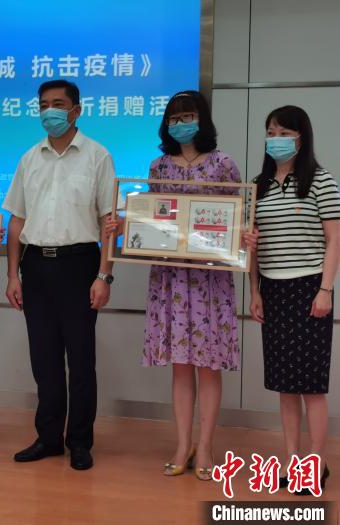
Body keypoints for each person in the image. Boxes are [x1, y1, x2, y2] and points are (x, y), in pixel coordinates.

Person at [126, 90, 248, 480]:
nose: (181, 124)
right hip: (172, 277)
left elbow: (240, 216)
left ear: (202, 119)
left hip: (212, 278)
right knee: (180, 366)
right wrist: (126, 223)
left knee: (208, 366)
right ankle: (183, 444)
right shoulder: (159, 166)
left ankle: (206, 446)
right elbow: (151, 219)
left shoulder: (223, 163)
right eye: (175, 118)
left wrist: (244, 235)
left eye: (188, 116)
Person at [3, 80, 121, 471]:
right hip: (35, 265)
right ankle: (49, 437)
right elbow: (16, 221)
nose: (49, 112)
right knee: (44, 358)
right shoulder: (29, 158)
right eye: (43, 105)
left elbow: (109, 222)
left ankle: (80, 441)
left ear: (76, 110)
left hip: (79, 264)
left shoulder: (97, 156)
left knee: (81, 360)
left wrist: (104, 276)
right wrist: (12, 275)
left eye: (57, 104)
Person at [249, 105, 339, 494]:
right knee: (286, 386)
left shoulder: (321, 180)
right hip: (272, 289)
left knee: (311, 386)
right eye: (271, 132)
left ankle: (316, 464)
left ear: (301, 137)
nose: (276, 139)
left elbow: (334, 239)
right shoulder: (259, 186)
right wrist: (254, 291)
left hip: (309, 288)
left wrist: (326, 289)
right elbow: (252, 247)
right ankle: (292, 460)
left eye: (284, 132)